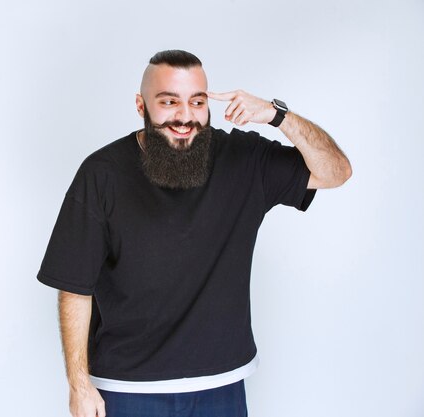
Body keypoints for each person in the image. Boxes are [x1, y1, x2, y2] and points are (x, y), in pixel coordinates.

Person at [37, 50, 352, 417]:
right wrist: (79, 386)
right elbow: (75, 288)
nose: (185, 116)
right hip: (125, 390)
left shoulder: (245, 159)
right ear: (141, 105)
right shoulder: (101, 173)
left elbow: (336, 172)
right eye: (169, 101)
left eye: (197, 101)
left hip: (222, 386)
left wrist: (276, 116)